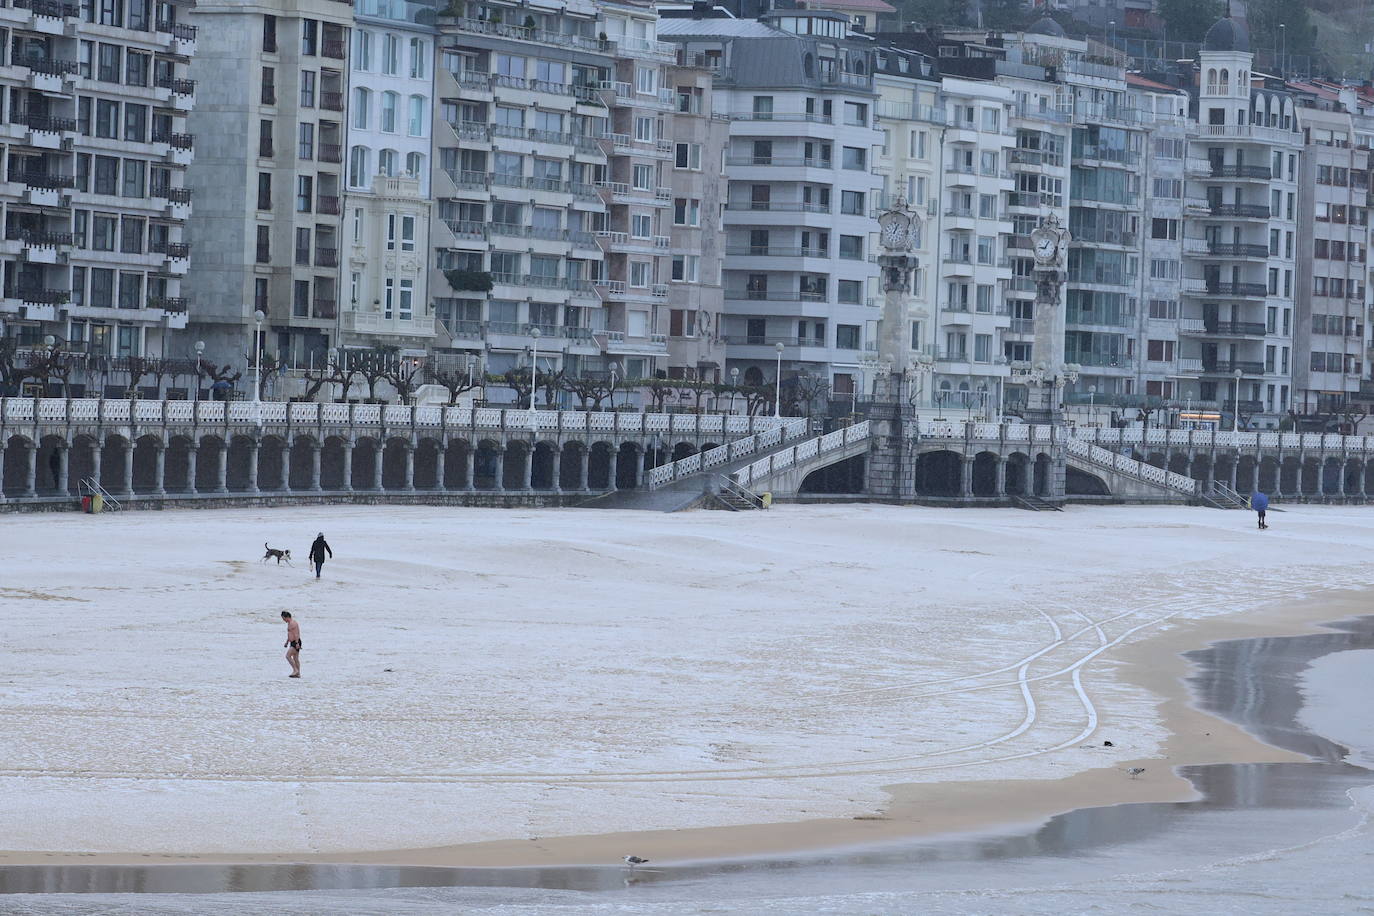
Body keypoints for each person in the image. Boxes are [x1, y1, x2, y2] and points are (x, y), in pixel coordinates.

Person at [281, 611, 302, 678]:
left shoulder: (293, 623)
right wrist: (287, 642)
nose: (283, 620)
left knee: (288, 656)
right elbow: (290, 633)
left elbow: (296, 634)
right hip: (293, 642)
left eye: (283, 618)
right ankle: (298, 674)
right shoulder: (289, 623)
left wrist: (297, 643)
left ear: (287, 617)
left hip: (296, 642)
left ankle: (295, 670)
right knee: (295, 658)